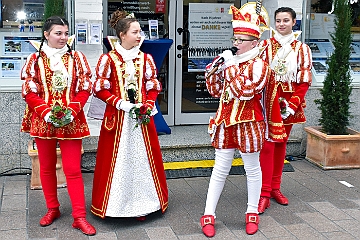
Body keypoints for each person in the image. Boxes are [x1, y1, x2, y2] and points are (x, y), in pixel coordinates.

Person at [20, 16, 96, 236]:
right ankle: (52, 209)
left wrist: (72, 109)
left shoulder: (78, 58)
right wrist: (45, 112)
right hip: (43, 120)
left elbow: (85, 88)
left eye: (65, 33)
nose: (63, 38)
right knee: (46, 167)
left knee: (73, 170)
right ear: (46, 34)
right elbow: (29, 91)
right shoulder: (34, 59)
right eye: (57, 33)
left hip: (72, 120)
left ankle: (79, 216)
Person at [200, 4, 271, 237]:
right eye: (235, 38)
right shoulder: (231, 61)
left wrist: (229, 67)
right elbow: (216, 91)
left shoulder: (260, 64)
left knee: (252, 169)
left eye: (241, 40)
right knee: (220, 169)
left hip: (249, 123)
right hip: (224, 122)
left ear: (254, 42)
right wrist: (213, 71)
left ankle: (252, 213)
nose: (235, 43)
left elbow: (245, 91)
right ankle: (208, 214)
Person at [90, 10, 168, 220]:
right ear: (122, 35)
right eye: (135, 32)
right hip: (118, 120)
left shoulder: (146, 58)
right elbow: (99, 88)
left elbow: (152, 85)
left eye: (140, 31)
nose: (139, 35)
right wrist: (121, 103)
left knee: (143, 160)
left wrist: (148, 103)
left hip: (141, 119)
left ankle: (144, 205)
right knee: (119, 161)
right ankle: (116, 206)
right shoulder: (109, 59)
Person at [257, 7, 312, 214]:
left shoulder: (301, 49)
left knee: (281, 146)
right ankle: (263, 193)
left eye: (286, 20)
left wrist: (292, 106)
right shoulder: (264, 46)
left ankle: (275, 188)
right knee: (268, 147)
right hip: (267, 104)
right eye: (278, 20)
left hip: (289, 106)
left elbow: (305, 81)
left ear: (294, 22)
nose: (281, 24)